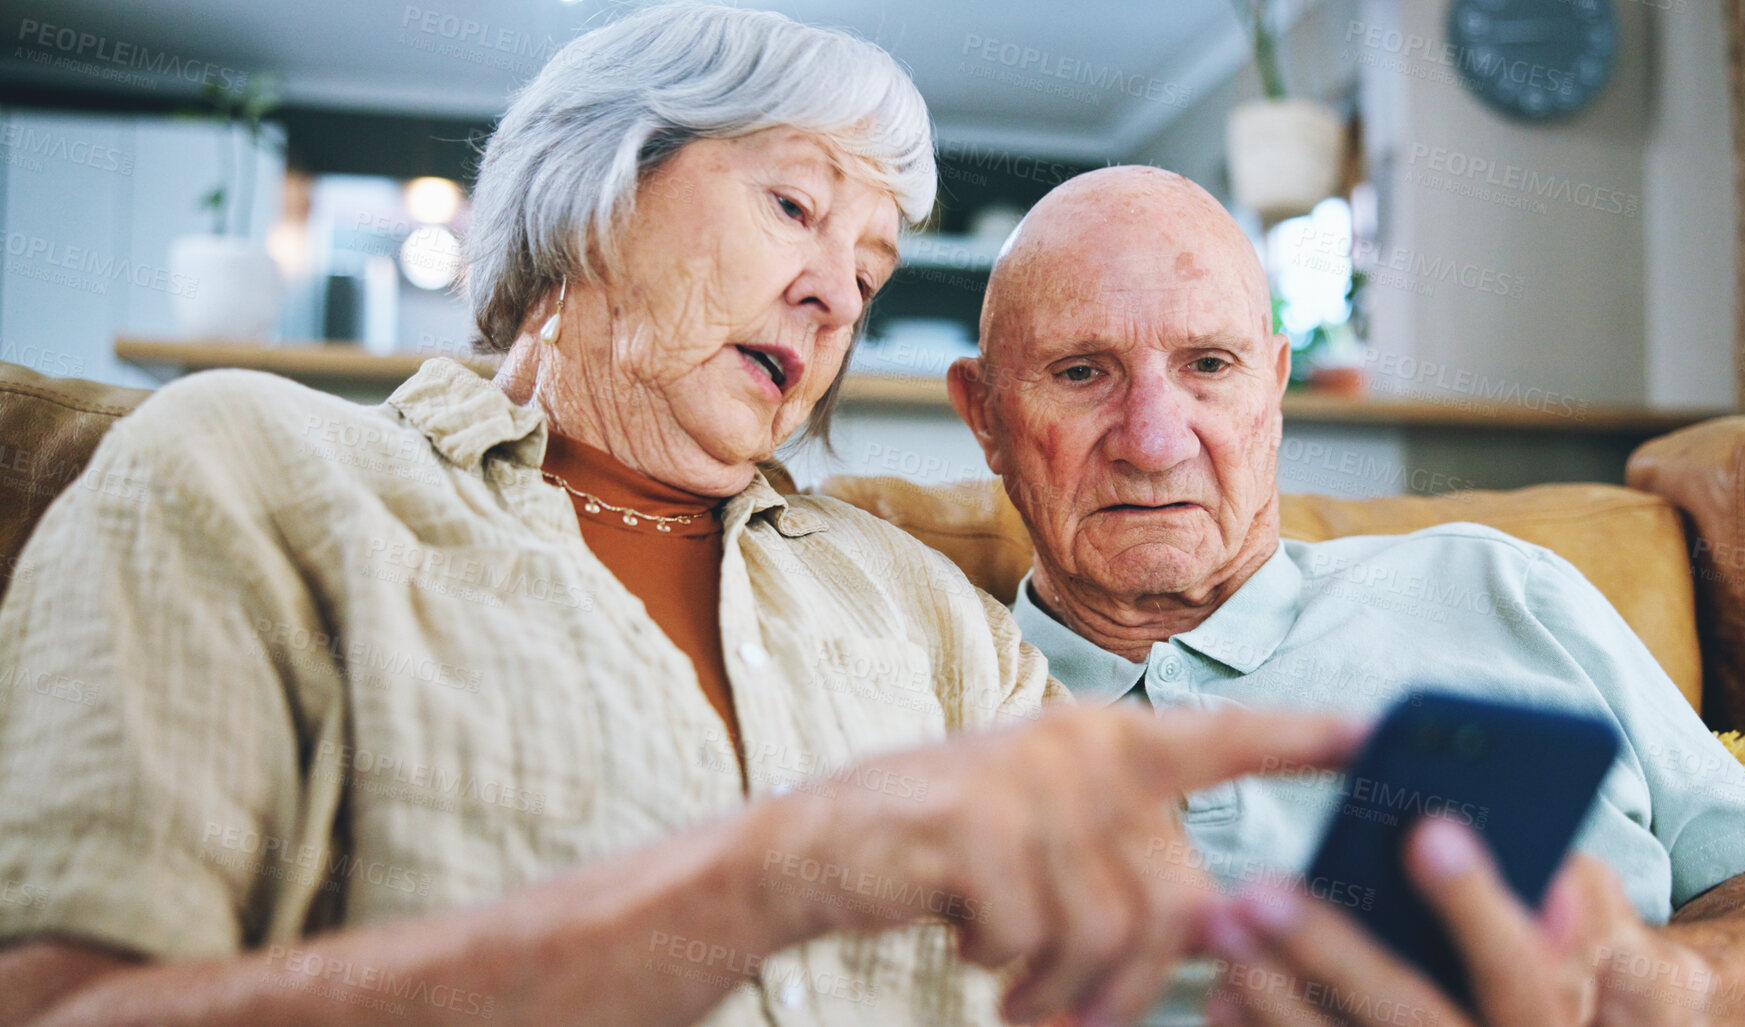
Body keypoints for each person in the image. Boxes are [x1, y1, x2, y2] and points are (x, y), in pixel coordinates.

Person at [0, 12, 1364, 1027]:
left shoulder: (921, 613)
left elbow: (1172, 978)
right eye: (793, 206)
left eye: (870, 267)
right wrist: (755, 880)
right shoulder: (255, 470)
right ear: (596, 190)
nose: (836, 291)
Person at [947, 165, 1745, 1026]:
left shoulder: (1500, 586)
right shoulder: (936, 695)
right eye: (1081, 373)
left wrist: (1659, 986)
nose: (1154, 439)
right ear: (985, 415)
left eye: (1208, 365)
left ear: (1273, 386)